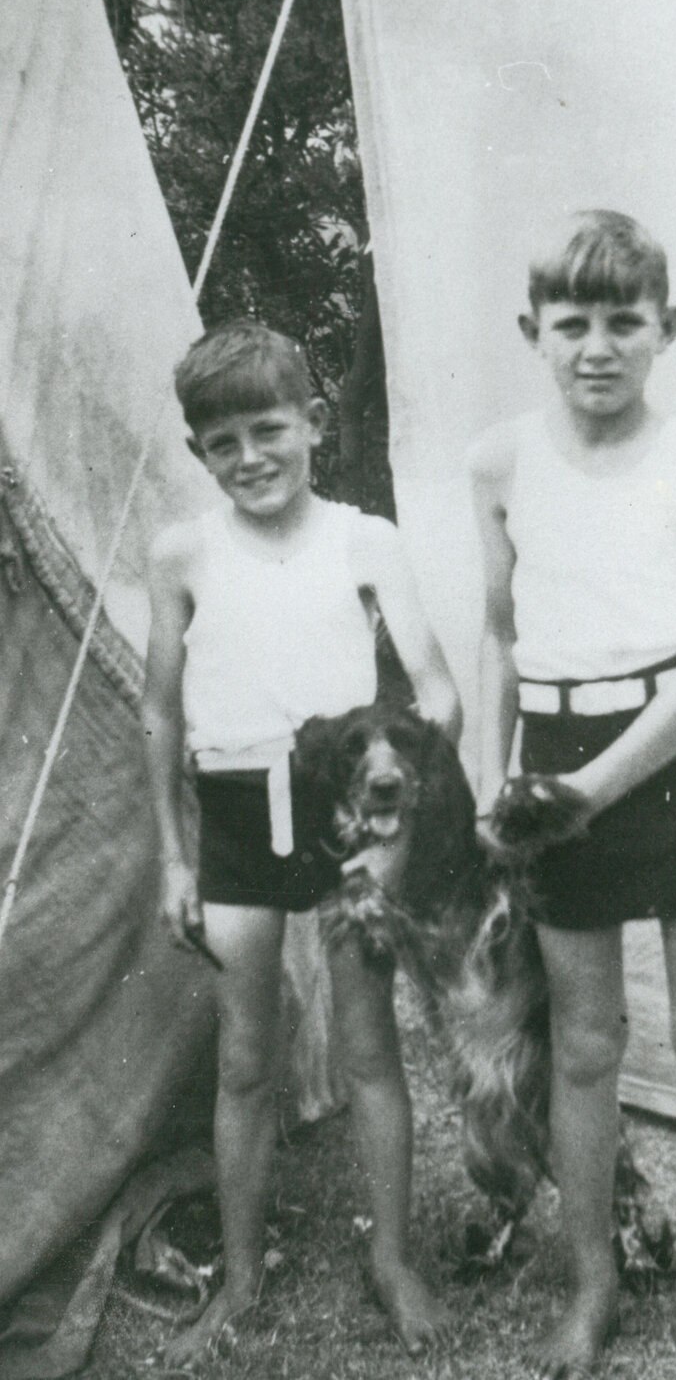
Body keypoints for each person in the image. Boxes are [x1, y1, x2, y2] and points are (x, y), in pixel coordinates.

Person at [469, 211, 676, 1380]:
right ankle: (590, 1291)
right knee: (585, 1044)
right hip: (554, 750)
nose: (597, 346)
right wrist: (495, 776)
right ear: (534, 331)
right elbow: (501, 631)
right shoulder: (500, 461)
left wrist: (590, 789)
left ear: (667, 329)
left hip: (673, 756)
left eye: (625, 321)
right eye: (571, 323)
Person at [142, 318, 460, 1365]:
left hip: (340, 816)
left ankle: (393, 1260)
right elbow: (160, 712)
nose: (249, 457)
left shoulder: (365, 538)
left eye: (268, 429)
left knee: (369, 1049)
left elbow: (438, 693)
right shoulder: (181, 552)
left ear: (313, 423)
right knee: (245, 1061)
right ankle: (239, 1280)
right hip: (233, 820)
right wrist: (177, 857)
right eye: (222, 442)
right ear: (198, 452)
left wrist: (393, 826)